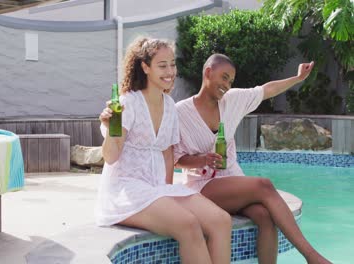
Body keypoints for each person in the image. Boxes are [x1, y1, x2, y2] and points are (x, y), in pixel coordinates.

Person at [174, 53, 331, 264]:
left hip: (232, 179)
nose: (227, 85)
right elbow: (175, 160)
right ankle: (312, 257)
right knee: (263, 185)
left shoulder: (232, 100)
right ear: (208, 72)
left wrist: (297, 79)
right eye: (224, 77)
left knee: (265, 217)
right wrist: (202, 159)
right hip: (202, 186)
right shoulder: (180, 113)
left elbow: (267, 90)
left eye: (230, 81)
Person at [97, 39, 232, 264]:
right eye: (162, 66)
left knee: (221, 220)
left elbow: (168, 154)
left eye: (172, 64)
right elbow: (111, 157)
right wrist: (112, 128)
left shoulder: (169, 105)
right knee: (188, 225)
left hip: (157, 189)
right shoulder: (127, 103)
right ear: (145, 67)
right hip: (126, 191)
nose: (170, 72)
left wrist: (167, 191)